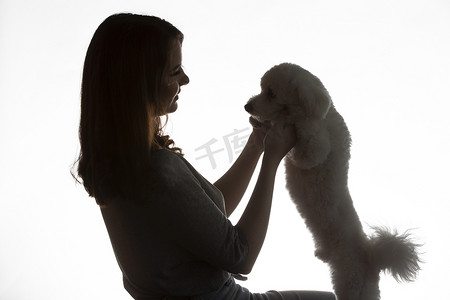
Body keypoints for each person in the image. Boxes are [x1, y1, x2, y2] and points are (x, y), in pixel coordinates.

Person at [73, 13, 336, 300]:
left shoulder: (118, 162)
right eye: (174, 72)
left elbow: (207, 218)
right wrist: (272, 160)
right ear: (139, 83)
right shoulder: (158, 170)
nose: (185, 79)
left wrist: (255, 147)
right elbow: (240, 255)